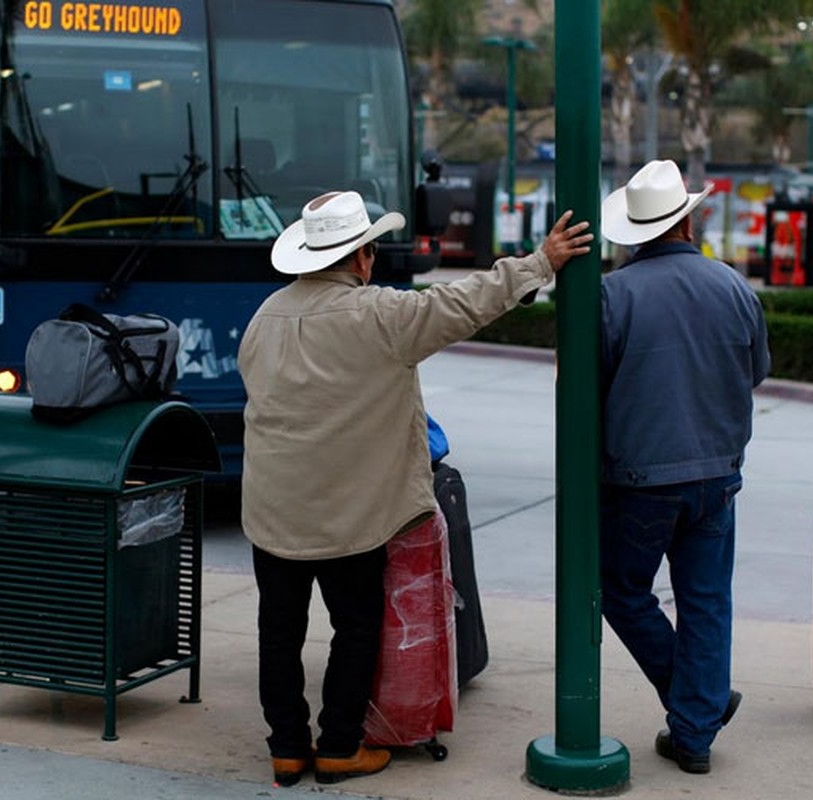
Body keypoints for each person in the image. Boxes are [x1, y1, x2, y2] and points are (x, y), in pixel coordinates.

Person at [238, 190, 592, 787]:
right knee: (355, 628)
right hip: (351, 518)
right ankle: (339, 747)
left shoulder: (265, 316)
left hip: (271, 512)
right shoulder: (381, 315)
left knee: (279, 632)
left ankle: (287, 750)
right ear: (362, 258)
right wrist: (539, 263)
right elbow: (463, 302)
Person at [597, 160, 771, 775]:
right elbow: (753, 372)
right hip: (718, 478)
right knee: (706, 602)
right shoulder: (732, 287)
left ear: (636, 230)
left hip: (639, 481)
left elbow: (589, 391)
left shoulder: (613, 294)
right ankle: (695, 728)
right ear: (689, 219)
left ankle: (699, 704)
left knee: (618, 591)